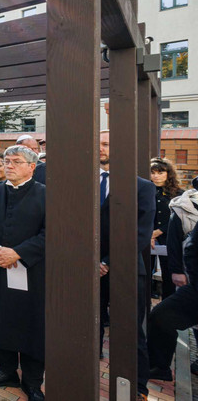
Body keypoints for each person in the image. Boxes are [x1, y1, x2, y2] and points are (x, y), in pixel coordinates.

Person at [0, 145, 46, 401]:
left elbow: (51, 232)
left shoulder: (45, 194)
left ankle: (33, 380)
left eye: (16, 161)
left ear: (31, 167)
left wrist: (18, 252)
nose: (9, 165)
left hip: (30, 270)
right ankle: (5, 370)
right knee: (0, 317)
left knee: (31, 323)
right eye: (6, 161)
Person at [97, 130, 156, 400]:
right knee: (86, 325)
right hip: (86, 269)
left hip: (125, 270)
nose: (101, 149)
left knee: (131, 331)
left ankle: (138, 387)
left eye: (107, 144)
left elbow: (141, 233)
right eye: (98, 144)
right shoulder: (79, 181)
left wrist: (108, 262)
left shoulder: (142, 186)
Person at [148, 179, 198, 384]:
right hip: (194, 285)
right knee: (161, 315)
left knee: (162, 315)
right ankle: (160, 367)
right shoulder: (184, 205)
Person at [149, 157, 183, 299]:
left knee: (169, 274)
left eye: (160, 173)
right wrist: (149, 234)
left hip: (169, 238)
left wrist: (158, 231)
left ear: (168, 174)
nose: (156, 176)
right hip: (147, 238)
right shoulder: (145, 190)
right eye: (153, 173)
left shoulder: (179, 194)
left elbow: (179, 217)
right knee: (145, 272)